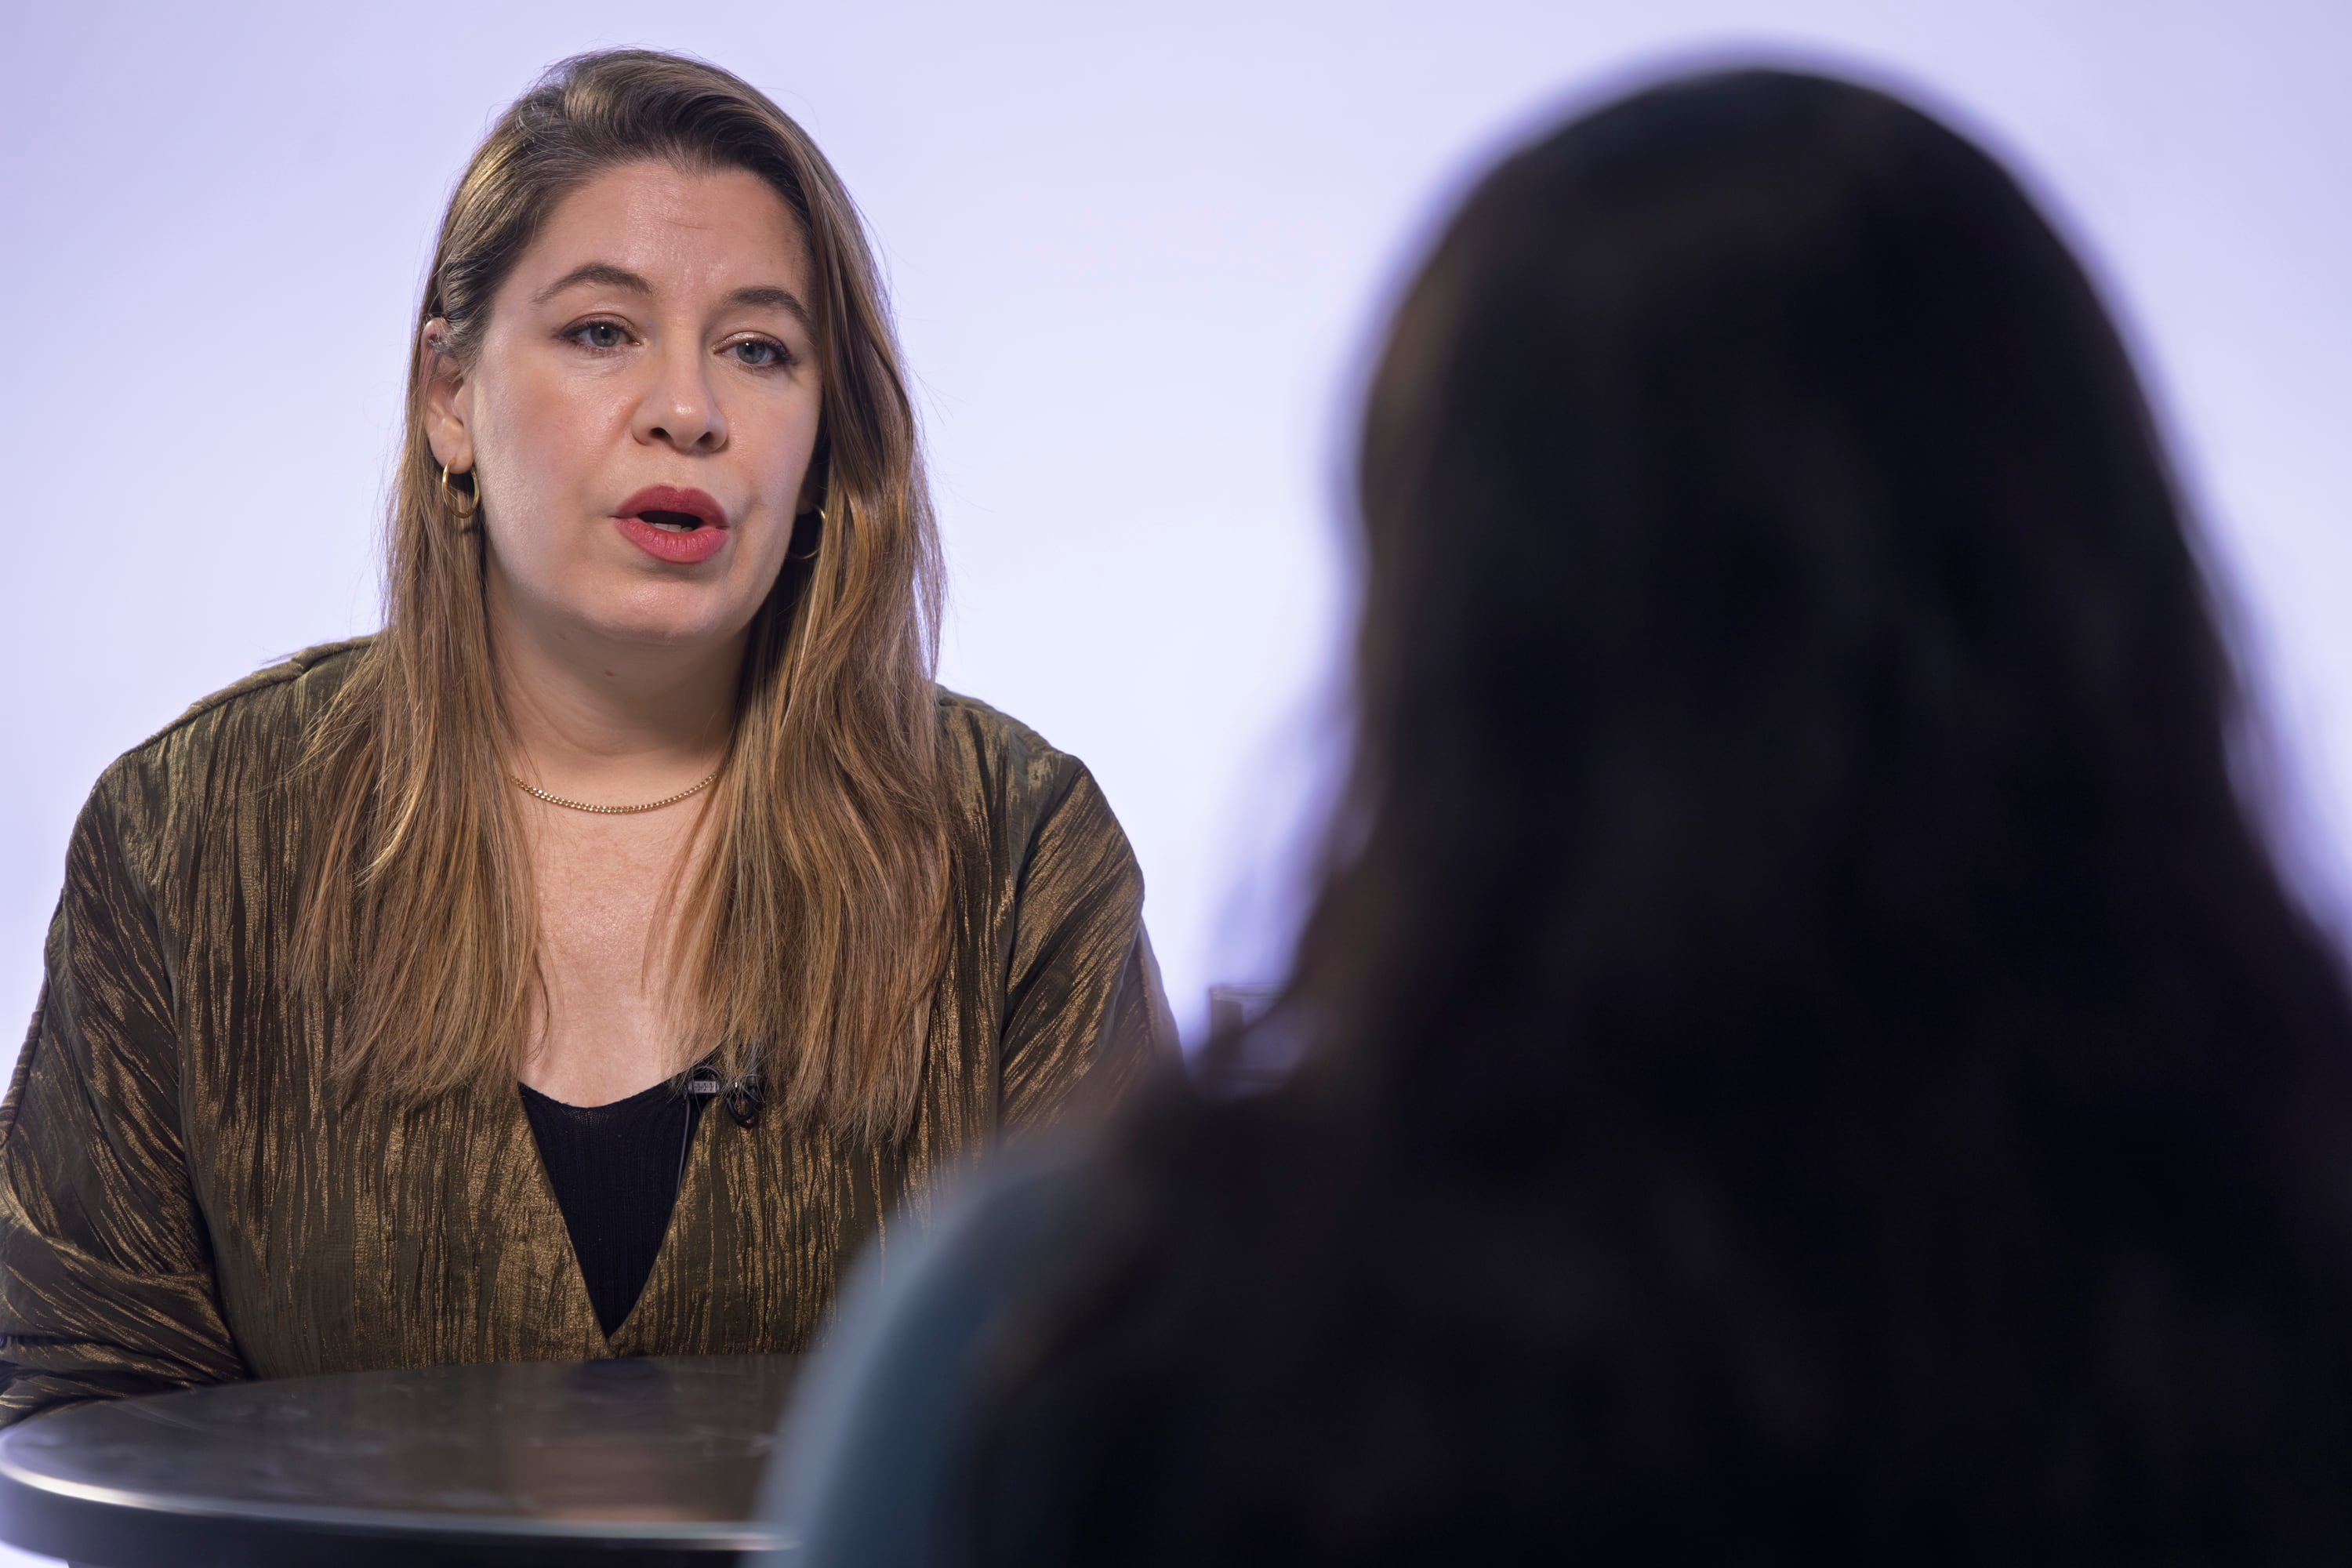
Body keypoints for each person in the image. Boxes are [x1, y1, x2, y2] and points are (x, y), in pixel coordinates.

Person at [768, 68, 2352, 1563]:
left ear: (1437, 648)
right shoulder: (2263, 1289)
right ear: (2115, 602)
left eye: (762, 347)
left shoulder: (1051, 1339)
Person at [0, 49, 1170, 1425]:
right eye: (603, 331)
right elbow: (82, 1394)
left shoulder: (1020, 853)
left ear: (822, 443)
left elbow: (1140, 1411)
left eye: (759, 348)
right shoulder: (191, 831)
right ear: (451, 397)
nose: (689, 408)